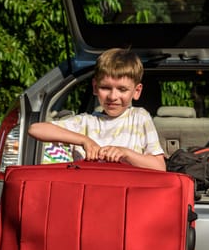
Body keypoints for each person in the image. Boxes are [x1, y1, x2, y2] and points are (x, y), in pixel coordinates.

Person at [28, 48, 166, 171]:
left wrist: (126, 154)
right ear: (95, 87)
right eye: (105, 88)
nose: (113, 96)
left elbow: (159, 167)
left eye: (122, 89)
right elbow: (35, 129)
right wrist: (84, 141)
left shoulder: (140, 118)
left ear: (136, 91)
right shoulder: (85, 122)